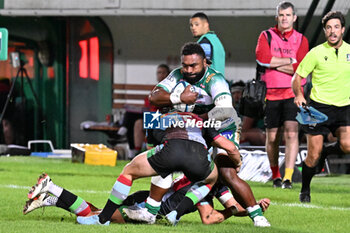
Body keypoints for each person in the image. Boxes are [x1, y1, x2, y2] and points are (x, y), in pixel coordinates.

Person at [143, 42, 270, 227]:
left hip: (222, 126)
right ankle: (158, 210)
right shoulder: (177, 74)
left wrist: (197, 118)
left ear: (204, 62)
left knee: (227, 173)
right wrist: (178, 98)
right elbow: (153, 97)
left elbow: (225, 111)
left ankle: (257, 216)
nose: (188, 70)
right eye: (185, 65)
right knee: (183, 165)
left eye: (193, 65)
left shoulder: (215, 79)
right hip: (197, 127)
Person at [67, 111, 242, 225]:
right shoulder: (202, 123)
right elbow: (231, 148)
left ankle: (103, 218)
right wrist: (238, 163)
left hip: (168, 159)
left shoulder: (161, 118)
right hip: (198, 162)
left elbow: (152, 148)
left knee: (129, 171)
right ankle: (175, 215)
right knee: (211, 181)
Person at [23, 173, 270, 225]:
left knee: (100, 212)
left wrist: (252, 209)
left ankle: (50, 199)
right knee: (98, 217)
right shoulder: (208, 188)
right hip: (151, 208)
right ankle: (52, 188)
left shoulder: (210, 180)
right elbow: (209, 218)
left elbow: (232, 208)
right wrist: (241, 211)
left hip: (147, 198)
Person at [292, 11, 350, 202]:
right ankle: (305, 190)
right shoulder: (316, 52)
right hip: (317, 108)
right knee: (313, 155)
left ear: (342, 29)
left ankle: (327, 151)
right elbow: (297, 77)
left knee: (347, 145)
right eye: (328, 28)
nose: (332, 31)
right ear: (325, 31)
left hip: (344, 107)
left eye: (336, 27)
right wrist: (299, 94)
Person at [255, 1, 309, 189]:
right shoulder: (266, 35)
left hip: (294, 93)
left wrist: (274, 63)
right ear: (276, 16)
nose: (284, 18)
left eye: (288, 15)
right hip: (271, 94)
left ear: (294, 17)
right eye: (281, 15)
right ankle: (275, 174)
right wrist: (290, 61)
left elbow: (301, 67)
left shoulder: (301, 39)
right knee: (272, 138)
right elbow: (262, 59)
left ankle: (287, 177)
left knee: (292, 134)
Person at [115, 64, 171, 158]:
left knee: (132, 117)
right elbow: (148, 102)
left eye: (163, 72)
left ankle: (123, 127)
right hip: (152, 114)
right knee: (137, 122)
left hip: (164, 116)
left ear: (168, 74)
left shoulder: (171, 88)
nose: (160, 75)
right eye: (158, 73)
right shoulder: (156, 88)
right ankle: (135, 153)